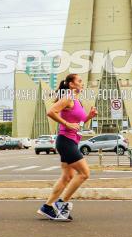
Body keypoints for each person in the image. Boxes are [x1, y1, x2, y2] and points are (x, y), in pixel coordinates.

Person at [37, 73, 97, 221]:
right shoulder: (68, 97)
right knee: (84, 173)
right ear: (71, 84)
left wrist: (89, 116)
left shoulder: (77, 101)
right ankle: (61, 204)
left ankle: (48, 206)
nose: (82, 84)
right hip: (66, 141)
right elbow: (51, 112)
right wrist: (66, 123)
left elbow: (79, 124)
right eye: (79, 81)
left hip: (71, 141)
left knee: (67, 176)